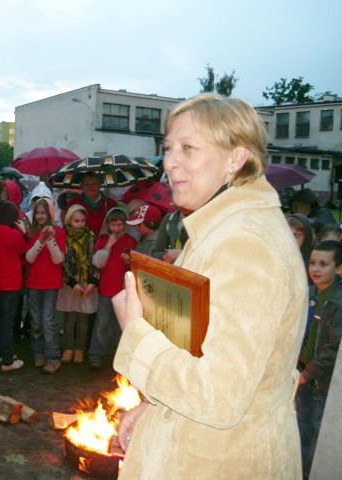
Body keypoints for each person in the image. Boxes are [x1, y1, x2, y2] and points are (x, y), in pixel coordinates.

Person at [112, 94, 307, 479]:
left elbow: (218, 396)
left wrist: (136, 333)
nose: (169, 162)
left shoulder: (246, 245)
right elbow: (203, 352)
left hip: (221, 462)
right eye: (168, 148)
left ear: (235, 159)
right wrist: (151, 407)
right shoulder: (220, 228)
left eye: (188, 148)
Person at [297, 240, 342, 478]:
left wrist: (308, 373)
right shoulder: (309, 292)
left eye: (323, 264)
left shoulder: (338, 302)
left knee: (315, 432)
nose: (315, 268)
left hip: (321, 383)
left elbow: (333, 348)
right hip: (300, 377)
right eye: (312, 262)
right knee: (300, 428)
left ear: (338, 268)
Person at [0, 200, 27, 372]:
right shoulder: (13, 234)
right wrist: (24, 233)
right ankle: (8, 360)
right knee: (8, 322)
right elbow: (22, 250)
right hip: (10, 283)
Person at [89, 207, 135, 369]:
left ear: (125, 225)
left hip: (122, 290)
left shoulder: (130, 241)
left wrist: (129, 260)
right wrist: (108, 246)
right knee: (102, 322)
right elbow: (97, 263)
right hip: (106, 289)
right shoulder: (103, 240)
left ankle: (114, 354)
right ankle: (95, 354)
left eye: (119, 225)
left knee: (118, 324)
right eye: (113, 225)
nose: (116, 229)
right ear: (108, 225)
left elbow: (135, 265)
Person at [25, 198, 66, 374]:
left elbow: (58, 259)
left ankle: (53, 357)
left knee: (48, 321)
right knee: (35, 321)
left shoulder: (59, 232)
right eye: (38, 213)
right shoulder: (31, 232)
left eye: (44, 213)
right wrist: (40, 240)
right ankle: (38, 352)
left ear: (50, 214)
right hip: (34, 283)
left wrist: (50, 240)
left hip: (50, 284)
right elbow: (29, 258)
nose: (41, 216)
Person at [56, 204, 99, 365]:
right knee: (69, 318)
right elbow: (63, 262)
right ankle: (68, 348)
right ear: (69, 220)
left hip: (87, 283)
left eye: (82, 220)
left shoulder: (91, 236)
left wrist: (91, 282)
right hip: (70, 284)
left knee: (83, 319)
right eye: (76, 221)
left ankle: (80, 349)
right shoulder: (64, 237)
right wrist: (72, 282)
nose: (80, 224)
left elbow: (94, 259)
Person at [65, 172, 117, 236]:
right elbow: (67, 228)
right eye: (86, 184)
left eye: (94, 183)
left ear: (100, 185)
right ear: (82, 186)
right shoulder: (73, 204)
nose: (91, 187)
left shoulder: (111, 204)